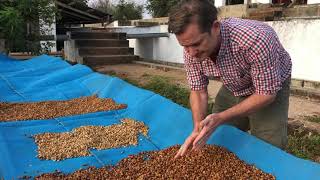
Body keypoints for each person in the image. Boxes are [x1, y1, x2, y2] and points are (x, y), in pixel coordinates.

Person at [168, 0, 292, 158]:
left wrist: (220, 117)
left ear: (215, 28)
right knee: (217, 135)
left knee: (268, 144)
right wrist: (197, 129)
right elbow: (198, 91)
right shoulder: (191, 49)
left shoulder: (255, 40)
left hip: (270, 85)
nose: (191, 53)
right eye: (185, 46)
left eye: (196, 44)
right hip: (234, 81)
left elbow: (266, 94)